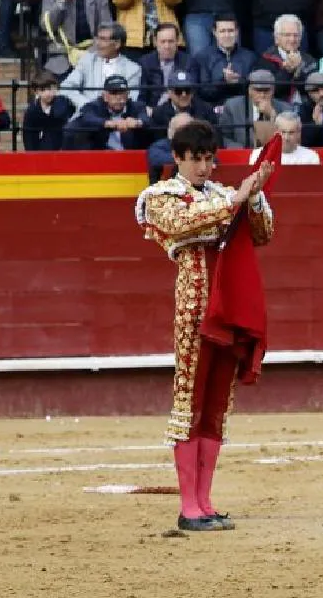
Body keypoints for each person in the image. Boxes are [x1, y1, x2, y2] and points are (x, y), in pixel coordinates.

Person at [134, 119, 273, 531]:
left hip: (228, 309)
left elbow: (263, 234)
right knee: (189, 406)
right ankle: (188, 508)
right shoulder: (160, 196)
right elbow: (181, 225)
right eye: (195, 159)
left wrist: (256, 195)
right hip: (194, 313)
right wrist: (237, 200)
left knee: (214, 408)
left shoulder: (223, 194)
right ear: (177, 158)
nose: (203, 168)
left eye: (209, 159)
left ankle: (205, 503)